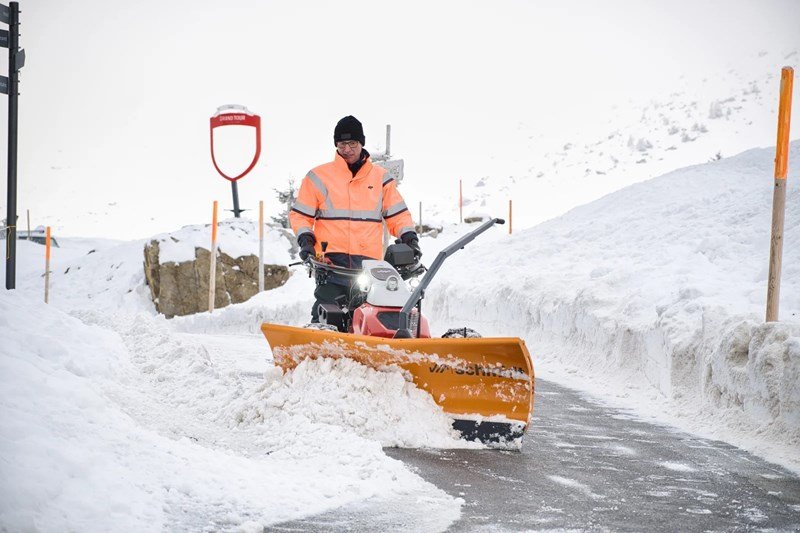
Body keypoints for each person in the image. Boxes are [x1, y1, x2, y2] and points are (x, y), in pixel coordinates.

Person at [289, 115, 421, 323]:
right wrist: (306, 241)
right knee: (327, 315)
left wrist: (409, 239)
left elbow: (398, 215)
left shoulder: (381, 178)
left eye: (352, 143)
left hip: (369, 265)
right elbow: (300, 216)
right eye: (342, 144)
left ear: (361, 143)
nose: (348, 149)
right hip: (331, 264)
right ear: (336, 145)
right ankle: (317, 350)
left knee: (374, 318)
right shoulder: (318, 177)